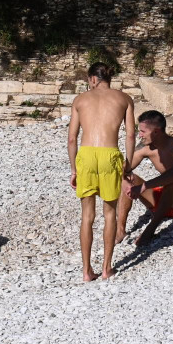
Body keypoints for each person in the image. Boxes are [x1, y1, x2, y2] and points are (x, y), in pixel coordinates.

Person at [68, 62, 136, 281]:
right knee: (109, 214)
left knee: (87, 216)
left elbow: (71, 138)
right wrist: (128, 164)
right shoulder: (124, 99)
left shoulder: (80, 100)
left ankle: (87, 270)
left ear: (93, 79)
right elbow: (131, 136)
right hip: (110, 154)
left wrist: (73, 169)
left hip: (86, 156)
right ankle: (107, 268)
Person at [116, 109, 173, 246]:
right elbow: (122, 169)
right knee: (130, 178)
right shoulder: (146, 147)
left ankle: (150, 229)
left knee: (171, 179)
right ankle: (120, 230)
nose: (140, 135)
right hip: (162, 202)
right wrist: (124, 179)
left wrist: (143, 186)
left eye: (143, 131)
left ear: (156, 131)